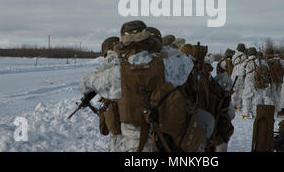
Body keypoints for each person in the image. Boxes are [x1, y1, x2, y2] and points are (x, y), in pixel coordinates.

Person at [79, 21, 197, 152]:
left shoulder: (116, 74)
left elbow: (85, 83)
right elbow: (187, 62)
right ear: (149, 40)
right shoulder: (166, 67)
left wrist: (111, 59)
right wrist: (162, 50)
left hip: (131, 145)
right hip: (162, 140)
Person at [241, 47, 273, 119]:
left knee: (247, 97)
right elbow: (268, 70)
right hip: (259, 81)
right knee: (258, 98)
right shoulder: (262, 61)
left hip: (248, 81)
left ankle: (246, 114)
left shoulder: (246, 62)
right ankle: (256, 114)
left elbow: (241, 73)